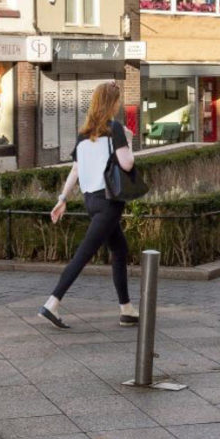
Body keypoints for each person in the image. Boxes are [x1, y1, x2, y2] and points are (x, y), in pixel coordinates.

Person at [40, 81, 138, 329]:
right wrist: (128, 141)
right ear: (111, 103)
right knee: (83, 254)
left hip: (91, 202)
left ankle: (126, 309)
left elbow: (76, 169)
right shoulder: (115, 128)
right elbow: (127, 164)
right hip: (109, 202)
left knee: (119, 249)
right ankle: (52, 302)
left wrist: (62, 199)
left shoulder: (84, 133)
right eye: (117, 100)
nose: (118, 104)